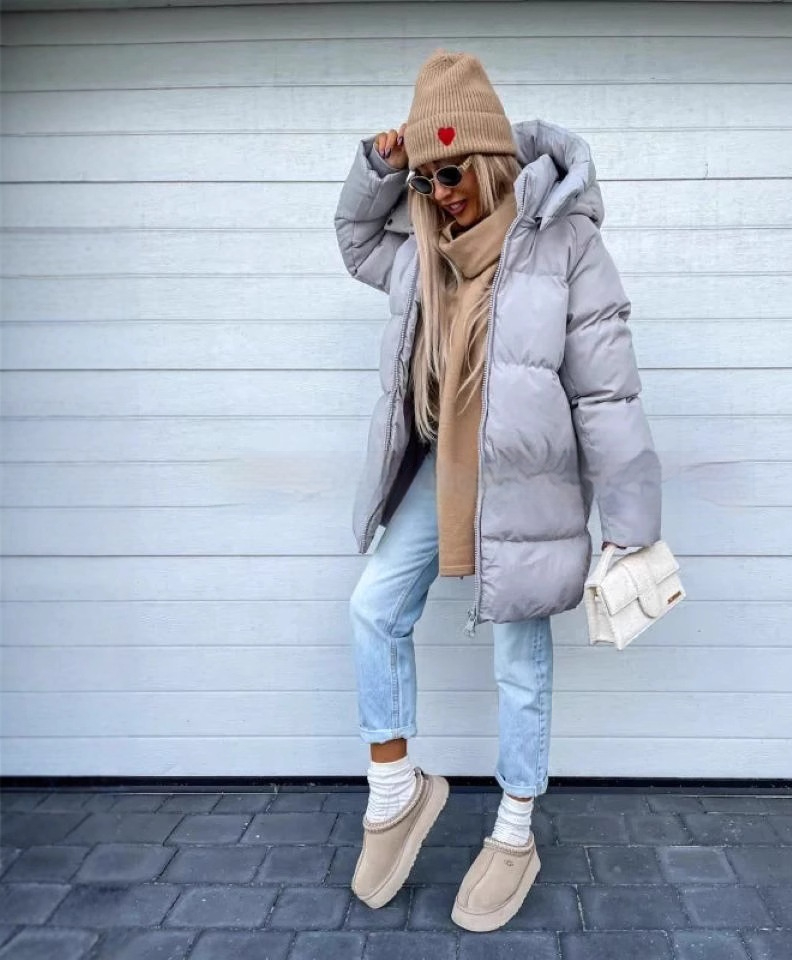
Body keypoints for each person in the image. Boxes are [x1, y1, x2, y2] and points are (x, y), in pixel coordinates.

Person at [334, 50, 662, 932]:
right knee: (373, 607)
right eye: (426, 178)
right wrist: (381, 162)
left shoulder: (565, 242)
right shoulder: (421, 254)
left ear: (488, 160)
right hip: (442, 470)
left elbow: (606, 391)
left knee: (519, 659)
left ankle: (515, 831)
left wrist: (630, 523)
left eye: (452, 173)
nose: (439, 194)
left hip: (525, 484)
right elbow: (355, 241)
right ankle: (396, 793)